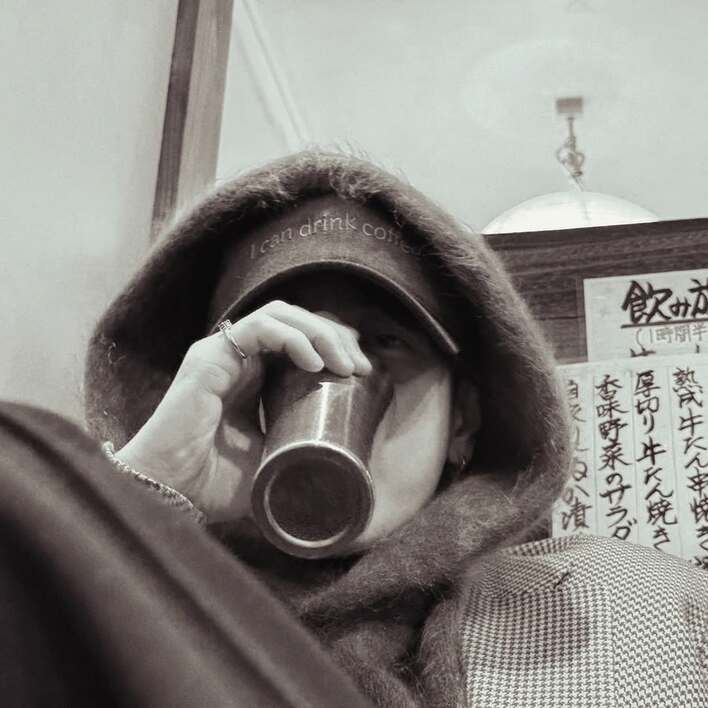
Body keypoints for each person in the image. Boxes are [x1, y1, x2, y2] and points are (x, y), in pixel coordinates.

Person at [4, 151, 705, 707]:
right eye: (279, 354)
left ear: (463, 423)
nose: (332, 367)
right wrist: (144, 498)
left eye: (387, 343)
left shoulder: (635, 604)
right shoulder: (122, 612)